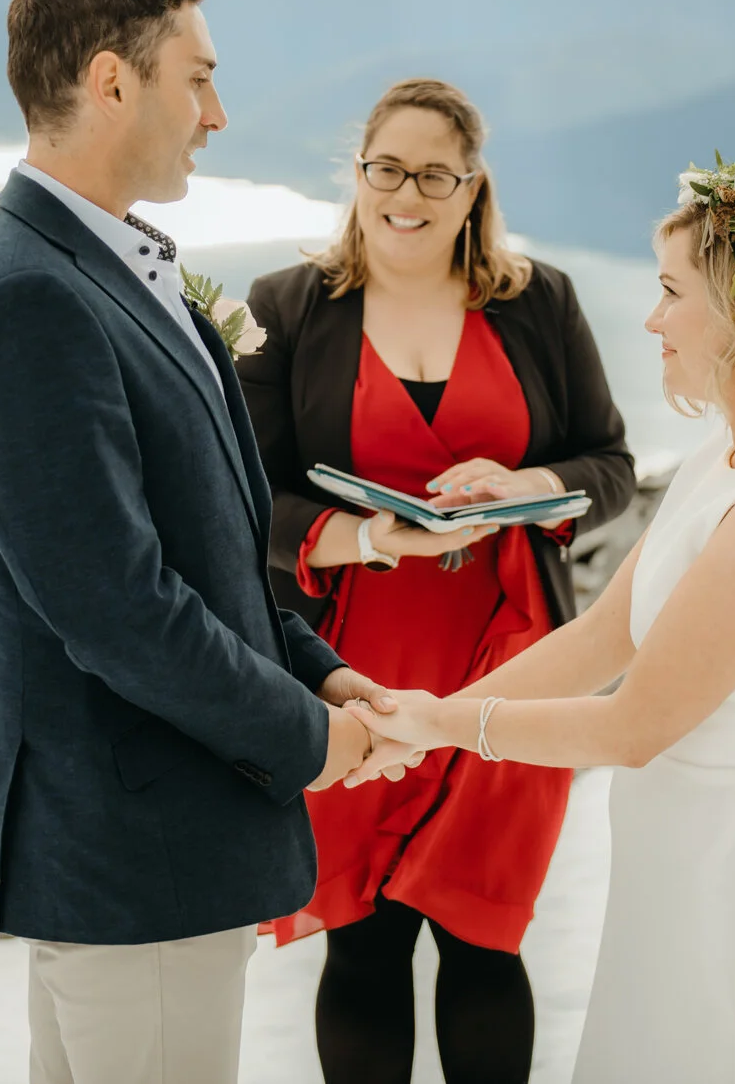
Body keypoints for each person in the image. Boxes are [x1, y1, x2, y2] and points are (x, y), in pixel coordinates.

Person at [0, 0, 416, 1084]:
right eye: (195, 80)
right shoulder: (26, 299)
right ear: (111, 83)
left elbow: (209, 556)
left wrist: (319, 671)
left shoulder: (107, 267)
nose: (217, 114)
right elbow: (118, 610)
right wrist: (310, 742)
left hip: (151, 844)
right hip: (129, 850)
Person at [346, 159, 735, 1082]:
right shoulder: (726, 457)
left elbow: (634, 723)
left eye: (670, 292)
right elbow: (602, 638)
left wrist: (439, 727)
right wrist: (427, 715)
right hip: (683, 864)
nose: (651, 319)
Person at [238, 79, 636, 1084]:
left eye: (431, 174)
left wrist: (527, 484)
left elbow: (610, 468)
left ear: (471, 189)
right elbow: (239, 501)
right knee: (362, 933)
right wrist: (363, 538)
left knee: (481, 932)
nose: (403, 193)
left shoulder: (536, 300)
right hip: (349, 665)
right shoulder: (288, 309)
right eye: (385, 168)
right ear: (357, 173)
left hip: (513, 660)